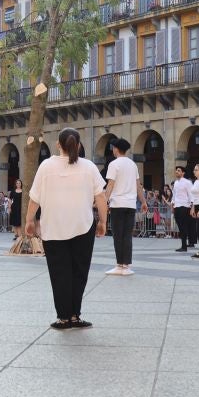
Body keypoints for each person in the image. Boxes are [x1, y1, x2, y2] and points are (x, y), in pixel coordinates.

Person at [25, 128, 107, 330]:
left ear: (57, 145)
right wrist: (103, 222)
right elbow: (101, 198)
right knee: (79, 272)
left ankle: (63, 317)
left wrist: (29, 221)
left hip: (53, 228)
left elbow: (34, 198)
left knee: (59, 273)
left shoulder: (46, 166)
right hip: (83, 226)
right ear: (78, 145)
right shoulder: (89, 167)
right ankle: (74, 315)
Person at [104, 139, 144, 275]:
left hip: (117, 204)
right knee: (127, 235)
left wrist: (104, 201)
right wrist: (143, 202)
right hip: (131, 204)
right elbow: (138, 185)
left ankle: (119, 265)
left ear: (116, 149)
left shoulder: (114, 164)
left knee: (117, 235)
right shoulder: (133, 165)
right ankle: (126, 266)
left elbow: (110, 184)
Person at [171, 166, 193, 252]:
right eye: (176, 170)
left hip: (184, 206)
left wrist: (192, 207)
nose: (177, 172)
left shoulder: (187, 182)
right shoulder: (176, 183)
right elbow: (174, 195)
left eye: (179, 171)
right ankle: (183, 245)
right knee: (180, 226)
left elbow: (191, 195)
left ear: (183, 173)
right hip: (177, 206)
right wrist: (173, 204)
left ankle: (184, 246)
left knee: (183, 226)